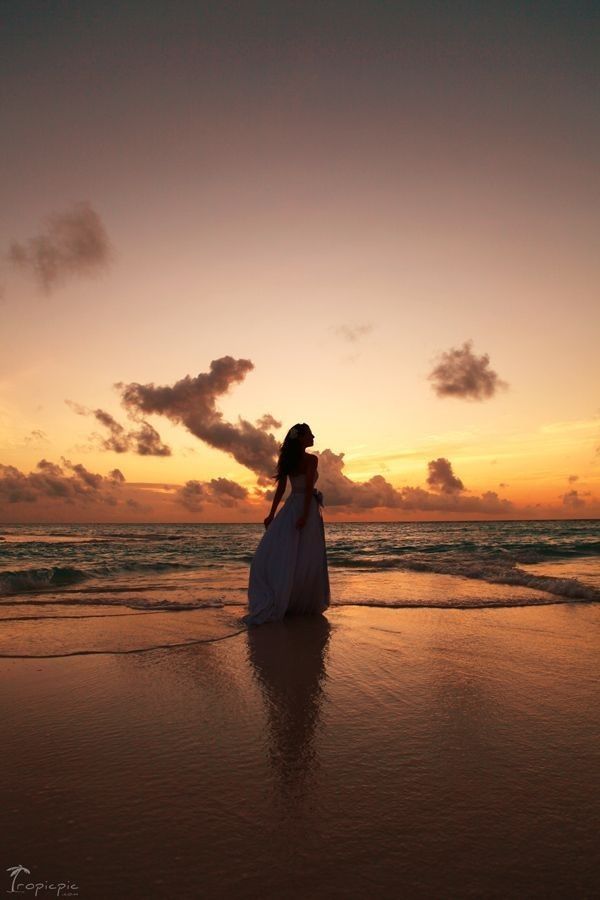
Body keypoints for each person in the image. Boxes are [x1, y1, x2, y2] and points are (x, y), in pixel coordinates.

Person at [243, 422, 331, 626]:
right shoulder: (311, 460)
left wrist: (273, 514)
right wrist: (300, 514)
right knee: (303, 556)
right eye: (310, 434)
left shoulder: (290, 459)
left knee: (294, 555)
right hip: (304, 507)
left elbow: (282, 490)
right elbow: (305, 488)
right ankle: (293, 600)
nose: (313, 437)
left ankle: (292, 599)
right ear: (301, 438)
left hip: (293, 506)